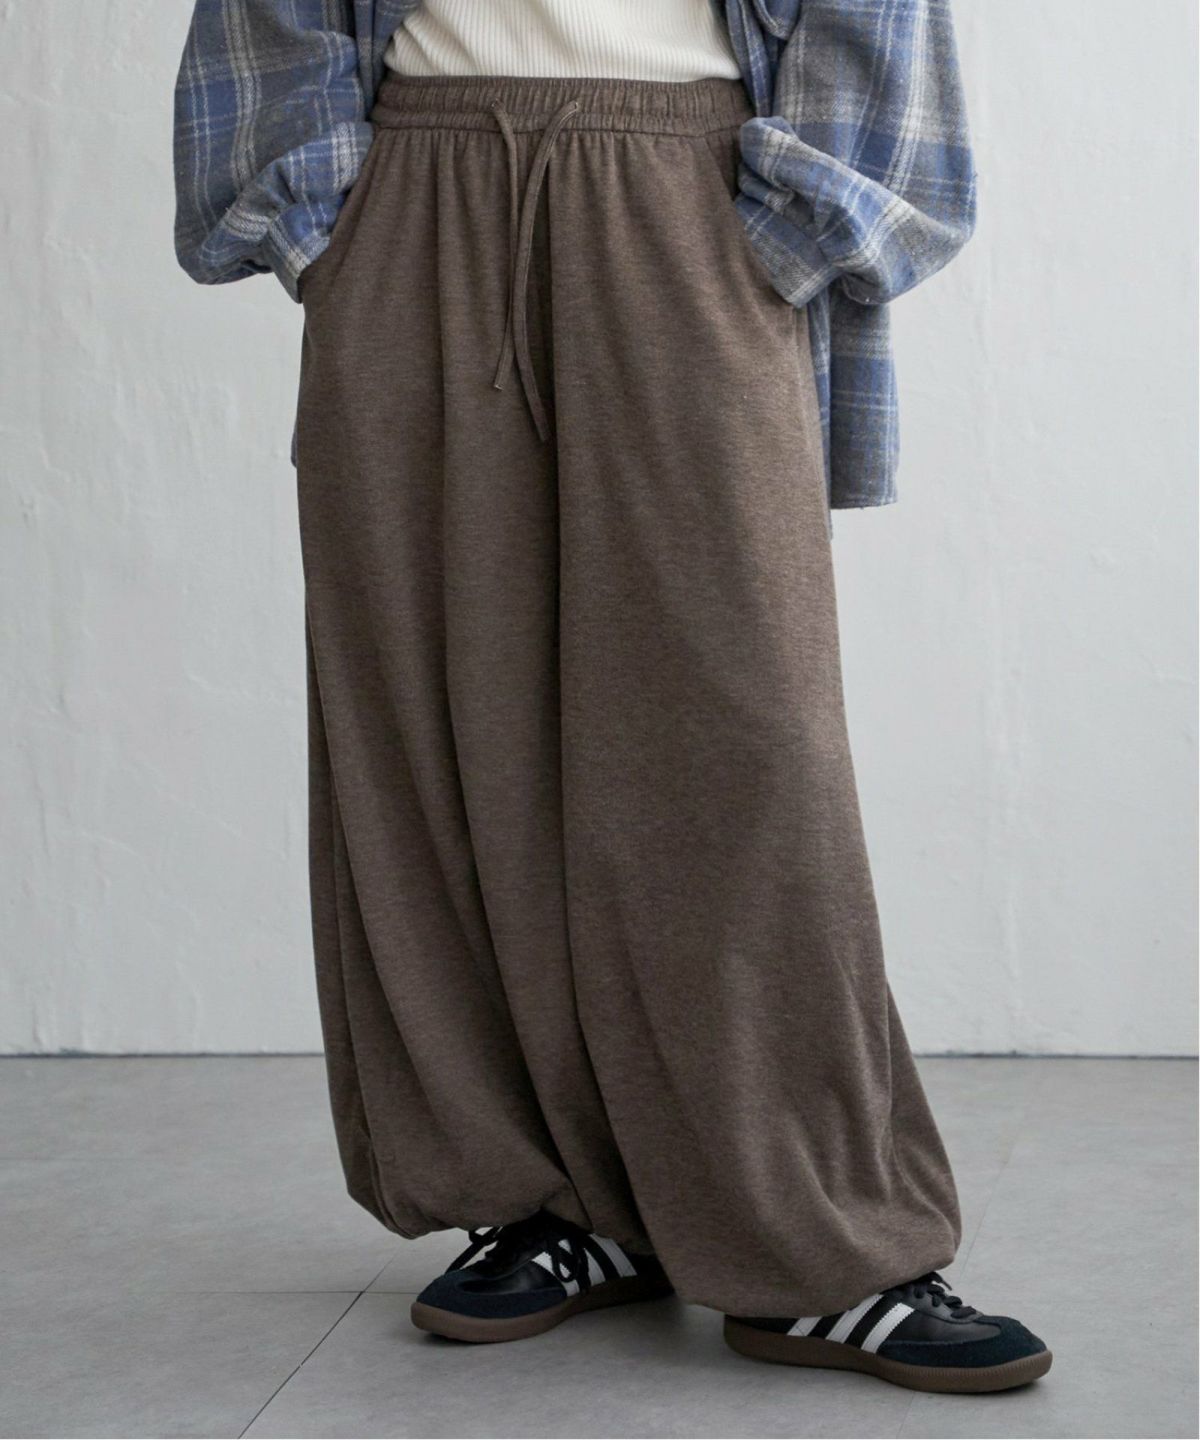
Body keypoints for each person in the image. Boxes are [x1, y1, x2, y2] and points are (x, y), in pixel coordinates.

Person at [173, 0, 1051, 1395]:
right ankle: (543, 1197)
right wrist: (335, 225)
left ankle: (822, 1243)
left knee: (742, 733)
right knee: (435, 718)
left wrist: (778, 231)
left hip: (685, 182)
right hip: (414, 176)